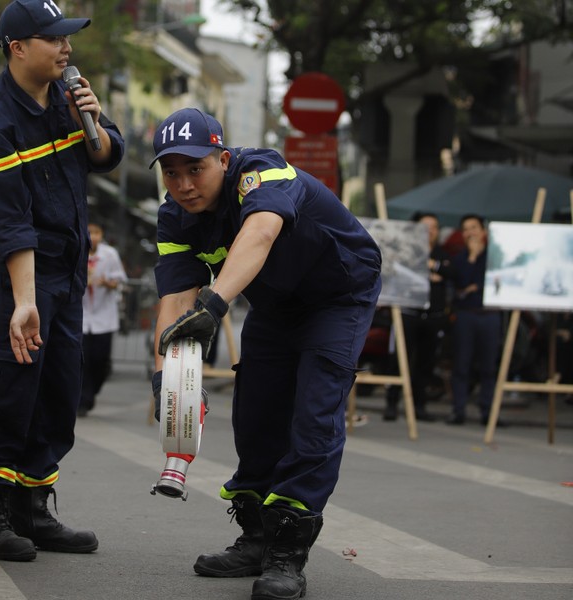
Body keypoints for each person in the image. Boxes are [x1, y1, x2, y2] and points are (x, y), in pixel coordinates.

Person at [150, 108, 381, 600]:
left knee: (313, 415)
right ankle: (256, 538)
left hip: (337, 295)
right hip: (277, 305)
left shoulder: (262, 172)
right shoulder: (174, 216)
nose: (184, 184)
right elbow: (173, 300)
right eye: (172, 172)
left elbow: (259, 233)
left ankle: (287, 555)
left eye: (196, 168)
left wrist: (214, 306)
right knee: (254, 413)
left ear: (224, 159)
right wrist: (164, 379)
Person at [0, 0, 124, 562]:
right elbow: (10, 224)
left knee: (59, 388)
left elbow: (106, 156)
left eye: (68, 38)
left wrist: (94, 121)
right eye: (55, 39)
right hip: (19, 276)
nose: (67, 48)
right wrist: (25, 303)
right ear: (17, 48)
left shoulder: (66, 98)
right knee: (12, 387)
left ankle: (34, 506)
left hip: (67, 269)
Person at [383, 211, 453, 421]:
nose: (430, 231)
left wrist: (434, 268)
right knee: (399, 360)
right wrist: (430, 275)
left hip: (433, 317)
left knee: (426, 362)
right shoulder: (407, 252)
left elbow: (451, 274)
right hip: (407, 313)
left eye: (434, 227)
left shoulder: (443, 253)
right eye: (425, 227)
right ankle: (392, 403)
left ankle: (419, 406)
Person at [446, 213, 503, 425]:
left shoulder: (494, 256)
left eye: (474, 228)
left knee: (489, 366)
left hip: (489, 315)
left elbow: (487, 285)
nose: (470, 233)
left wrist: (472, 287)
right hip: (465, 316)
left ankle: (488, 411)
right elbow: (461, 283)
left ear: (483, 231)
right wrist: (471, 259)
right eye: (466, 229)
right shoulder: (459, 258)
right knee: (461, 364)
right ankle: (458, 410)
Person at [78, 222, 127, 417]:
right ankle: (82, 400)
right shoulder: (77, 250)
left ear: (102, 234)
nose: (93, 236)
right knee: (82, 360)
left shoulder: (110, 254)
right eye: (89, 232)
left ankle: (93, 390)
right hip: (81, 317)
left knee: (100, 360)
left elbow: (120, 280)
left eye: (97, 232)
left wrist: (107, 282)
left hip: (104, 317)